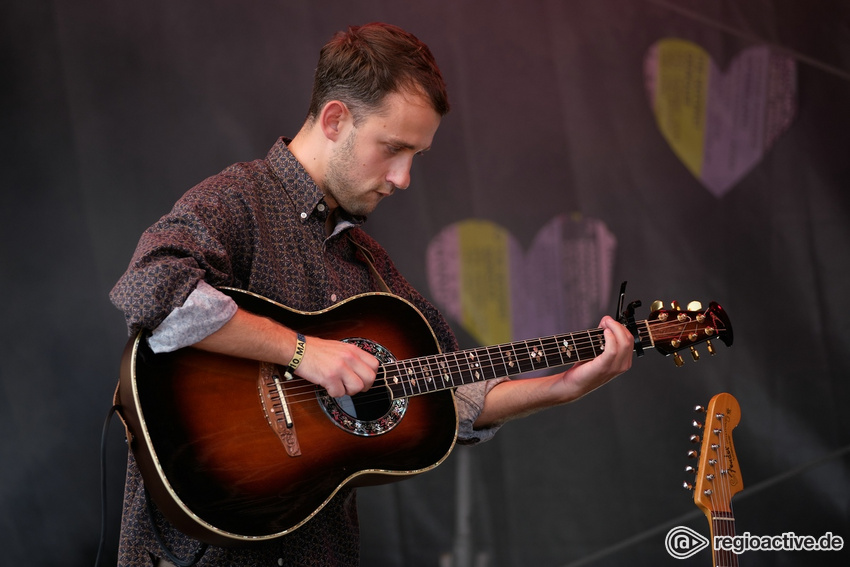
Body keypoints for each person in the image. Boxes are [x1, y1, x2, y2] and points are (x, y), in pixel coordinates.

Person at [110, 22, 634, 567]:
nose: (404, 178)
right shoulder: (239, 200)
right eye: (393, 148)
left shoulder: (370, 264)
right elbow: (154, 290)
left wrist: (564, 388)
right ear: (335, 119)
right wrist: (301, 350)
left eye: (417, 157)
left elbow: (448, 391)